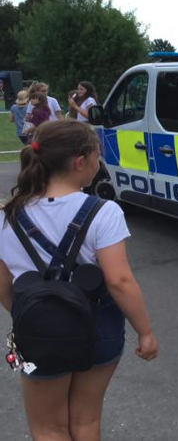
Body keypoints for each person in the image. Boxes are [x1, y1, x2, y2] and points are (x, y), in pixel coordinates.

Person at [0, 119, 158, 441]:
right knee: (86, 420)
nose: (99, 162)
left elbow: (3, 285)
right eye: (98, 155)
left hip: (38, 330)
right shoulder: (104, 212)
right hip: (98, 325)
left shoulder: (7, 216)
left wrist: (31, 316)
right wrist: (145, 332)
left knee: (48, 427)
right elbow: (119, 280)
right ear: (80, 161)